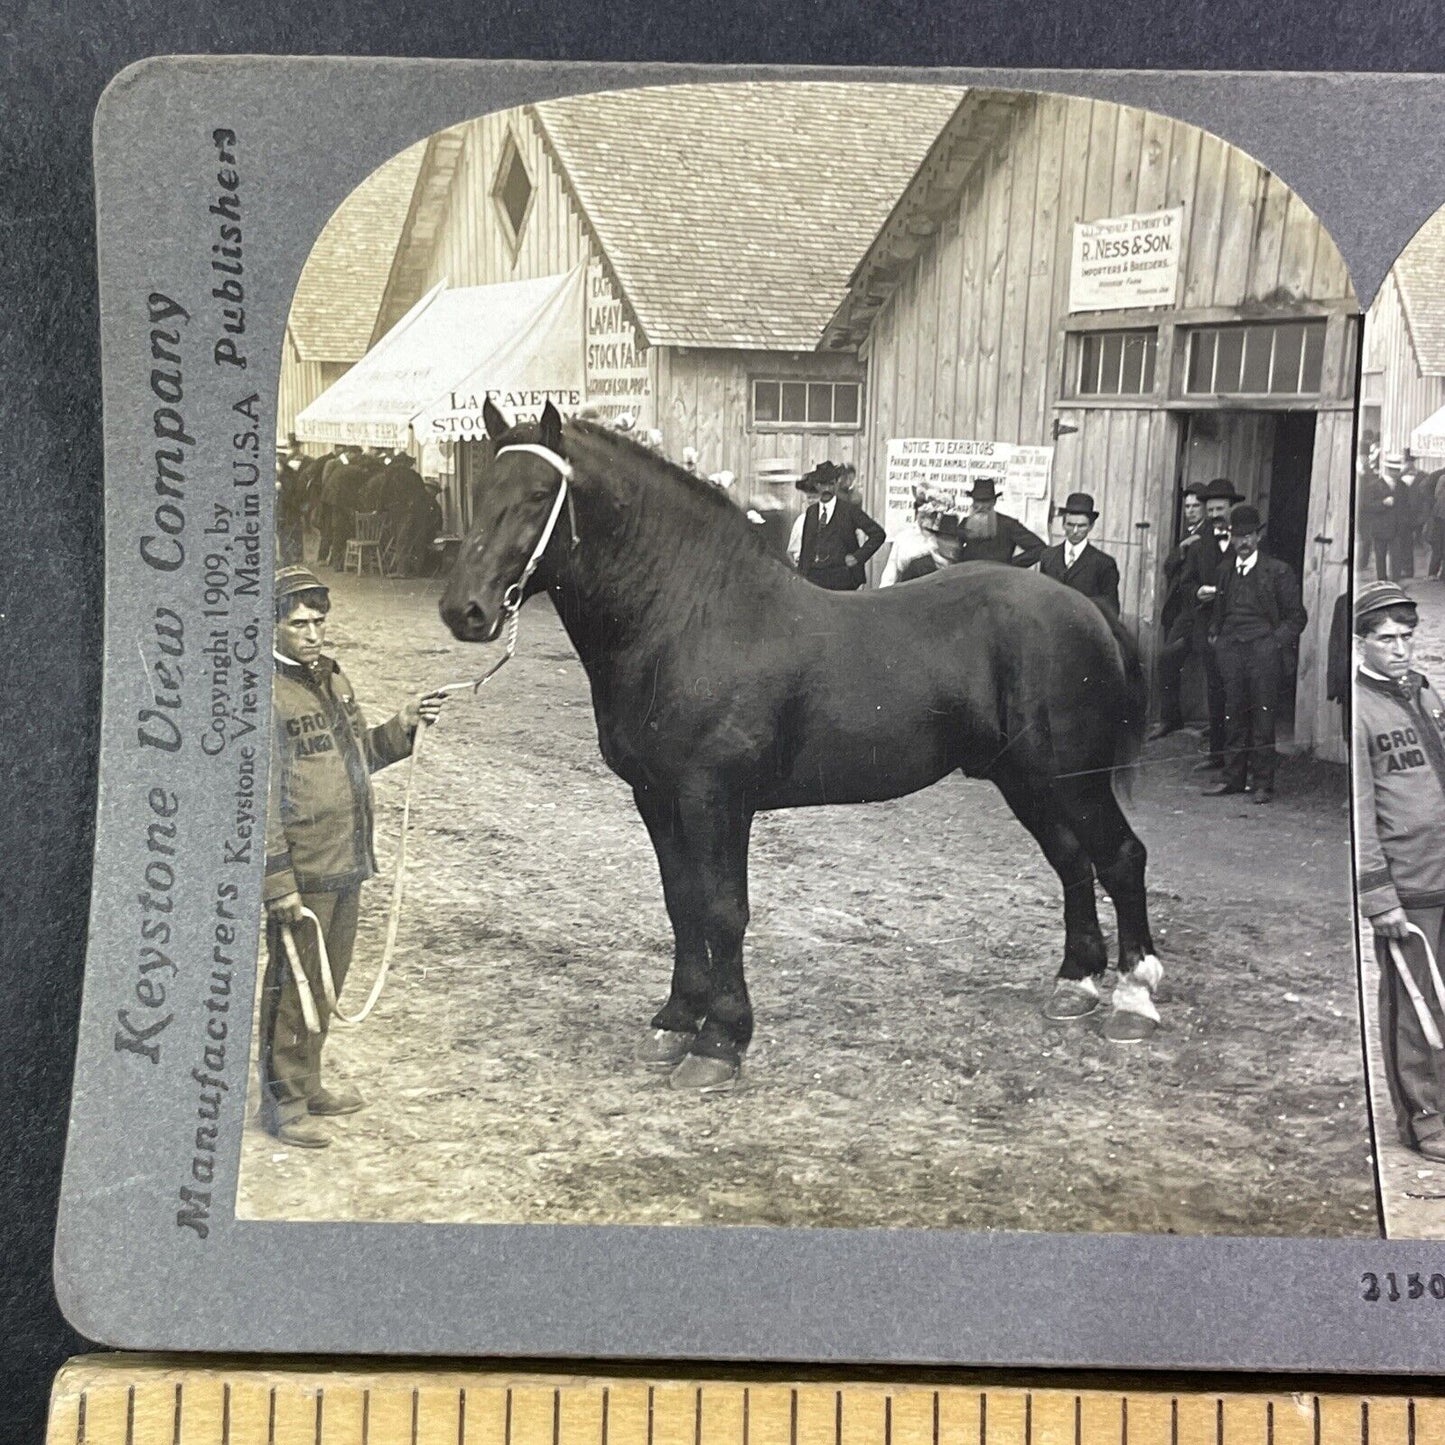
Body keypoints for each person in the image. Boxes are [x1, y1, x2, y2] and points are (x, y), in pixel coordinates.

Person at [262, 566, 447, 1147]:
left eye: (319, 622)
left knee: (328, 981)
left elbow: (360, 755)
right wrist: (279, 882)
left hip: (347, 860)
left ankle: (309, 1083)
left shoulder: (335, 682)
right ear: (270, 627)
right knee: (295, 986)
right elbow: (257, 802)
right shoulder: (262, 695)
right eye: (298, 624)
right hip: (304, 869)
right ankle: (285, 1101)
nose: (313, 634)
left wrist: (405, 727)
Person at [1353, 580, 1445, 1163]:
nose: (1400, 648)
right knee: (1414, 1004)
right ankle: (1426, 1119)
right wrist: (1378, 893)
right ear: (1361, 643)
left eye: (1407, 637)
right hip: (1408, 881)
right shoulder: (1360, 710)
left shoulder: (1427, 693)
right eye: (1386, 638)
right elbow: (1361, 812)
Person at [1201, 502, 1307, 804]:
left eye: (1249, 536)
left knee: (1262, 718)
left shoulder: (1278, 572)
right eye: (1238, 536)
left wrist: (1272, 644)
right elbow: (1217, 612)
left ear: (1258, 537)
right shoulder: (1224, 571)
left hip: (1264, 653)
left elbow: (1297, 618)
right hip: (1231, 652)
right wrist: (1216, 637)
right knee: (1233, 714)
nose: (1244, 543)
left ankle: (1263, 783)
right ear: (1231, 538)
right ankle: (1234, 778)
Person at [1171, 477, 1242, 765]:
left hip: (1238, 628)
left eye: (1219, 509)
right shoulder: (1200, 546)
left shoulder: (1246, 540)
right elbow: (1185, 584)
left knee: (1238, 692)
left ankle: (1239, 757)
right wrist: (1197, 593)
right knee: (1215, 690)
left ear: (1232, 508)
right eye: (1210, 510)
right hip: (1209, 626)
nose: (1214, 515)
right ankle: (1217, 755)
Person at [1150, 481, 1209, 740]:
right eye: (1187, 506)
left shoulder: (1210, 534)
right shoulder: (1187, 535)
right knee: (1166, 660)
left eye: (1196, 506)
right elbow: (1168, 567)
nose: (1191, 511)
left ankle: (1217, 725)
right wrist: (1183, 547)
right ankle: (1170, 719)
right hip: (1182, 612)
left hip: (1203, 611)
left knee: (1216, 666)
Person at [787, 460, 886, 591]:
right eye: (822, 484)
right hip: (814, 579)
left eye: (831, 484)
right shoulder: (811, 512)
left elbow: (878, 534)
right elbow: (807, 547)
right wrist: (801, 577)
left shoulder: (849, 510)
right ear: (816, 485)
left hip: (842, 579)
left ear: (836, 484)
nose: (827, 489)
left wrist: (857, 557)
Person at [1037, 492, 1120, 616]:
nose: (1075, 531)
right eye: (1070, 525)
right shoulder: (1048, 557)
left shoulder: (1104, 563)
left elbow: (1111, 608)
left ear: (1091, 526)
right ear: (1063, 524)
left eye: (1081, 526)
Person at [952, 476, 1044, 567]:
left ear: (993, 502)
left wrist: (1010, 566)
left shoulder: (1008, 525)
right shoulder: (966, 523)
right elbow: (954, 548)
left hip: (998, 578)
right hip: (969, 577)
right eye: (977, 501)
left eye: (985, 501)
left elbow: (1039, 549)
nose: (980, 506)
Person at [878, 486, 945, 588]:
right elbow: (891, 573)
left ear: (936, 517)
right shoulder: (904, 538)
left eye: (931, 517)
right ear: (917, 514)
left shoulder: (942, 540)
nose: (926, 522)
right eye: (922, 517)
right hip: (908, 592)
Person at [1358, 447, 1398, 582]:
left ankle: (1395, 582)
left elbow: (1405, 506)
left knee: (1395, 556)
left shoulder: (1401, 486)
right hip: (1380, 527)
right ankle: (1382, 580)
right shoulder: (1374, 485)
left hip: (1396, 527)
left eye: (1397, 470)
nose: (1396, 472)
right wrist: (1383, 503)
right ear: (1388, 470)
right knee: (1380, 556)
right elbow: (1366, 506)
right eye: (1393, 469)